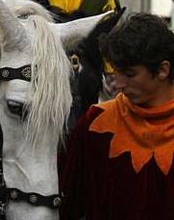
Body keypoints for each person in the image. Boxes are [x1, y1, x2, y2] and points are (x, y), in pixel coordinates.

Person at [60, 12, 174, 219]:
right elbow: (67, 205)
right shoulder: (96, 124)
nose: (119, 84)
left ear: (163, 70)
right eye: (117, 72)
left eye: (129, 74)